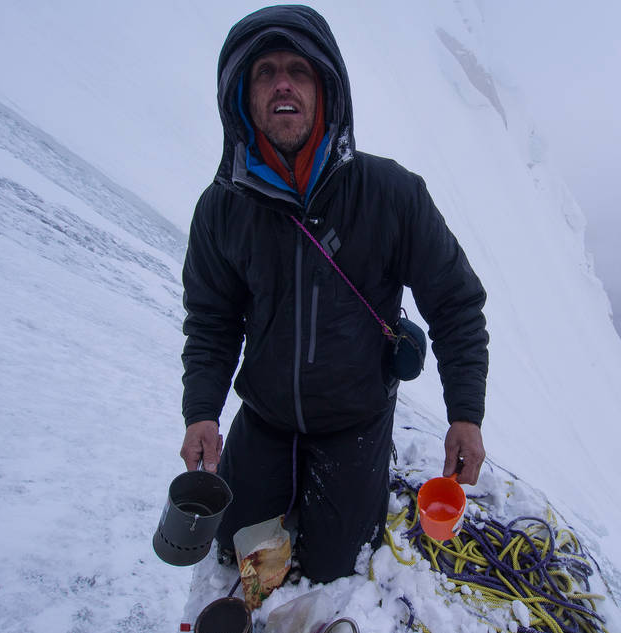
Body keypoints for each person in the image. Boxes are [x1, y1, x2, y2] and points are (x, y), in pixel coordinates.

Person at [179, 4, 489, 583]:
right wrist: (201, 411)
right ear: (244, 96)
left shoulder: (391, 194)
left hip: (356, 417)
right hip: (267, 413)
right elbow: (211, 320)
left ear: (326, 88)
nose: (283, 84)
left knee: (331, 566)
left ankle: (371, 470)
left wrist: (465, 414)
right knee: (237, 546)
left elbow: (455, 304)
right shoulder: (223, 209)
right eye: (265, 72)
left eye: (298, 69)